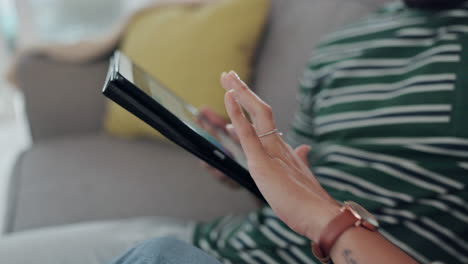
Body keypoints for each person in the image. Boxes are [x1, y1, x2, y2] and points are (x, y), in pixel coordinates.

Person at [1, 0, 468, 263]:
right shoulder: (342, 45)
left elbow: (314, 206)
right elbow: (302, 182)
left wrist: (321, 217)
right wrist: (247, 169)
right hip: (220, 241)